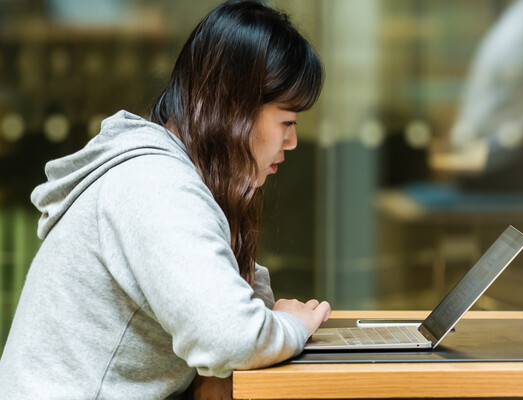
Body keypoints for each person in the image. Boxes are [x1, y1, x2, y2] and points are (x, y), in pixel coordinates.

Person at [0, 1, 331, 398]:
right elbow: (229, 337)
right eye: (287, 122)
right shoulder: (155, 185)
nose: (292, 142)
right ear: (234, 106)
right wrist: (293, 325)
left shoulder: (164, 176)